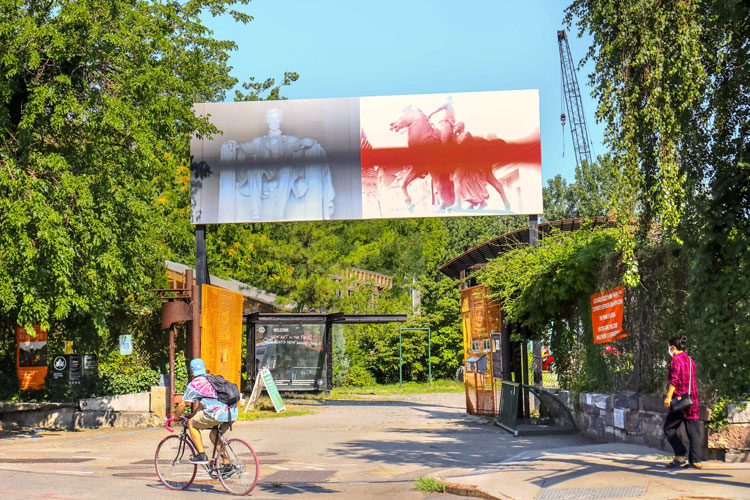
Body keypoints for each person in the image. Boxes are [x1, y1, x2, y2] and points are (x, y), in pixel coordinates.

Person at [219, 107, 335, 222]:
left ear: (280, 121)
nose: (274, 122)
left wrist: (305, 142)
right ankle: (255, 214)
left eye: (276, 119)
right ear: (267, 121)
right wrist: (235, 144)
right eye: (271, 119)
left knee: (287, 170)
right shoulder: (259, 141)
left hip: (283, 171)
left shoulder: (289, 140)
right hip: (264, 170)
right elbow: (246, 147)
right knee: (254, 170)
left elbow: (298, 144)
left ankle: (279, 214)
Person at [173, 358, 239, 464]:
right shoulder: (212, 378)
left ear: (191, 371)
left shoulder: (195, 384)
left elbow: (182, 404)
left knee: (191, 424)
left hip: (217, 414)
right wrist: (193, 414)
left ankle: (201, 455)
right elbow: (204, 403)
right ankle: (227, 465)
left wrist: (175, 417)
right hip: (233, 411)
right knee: (214, 435)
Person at [663, 336, 702, 469]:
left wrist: (668, 397)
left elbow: (674, 380)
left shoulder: (676, 360)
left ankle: (680, 456)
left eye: (669, 347)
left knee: (668, 428)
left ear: (673, 348)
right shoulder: (690, 359)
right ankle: (696, 461)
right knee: (693, 429)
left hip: (680, 400)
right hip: (692, 399)